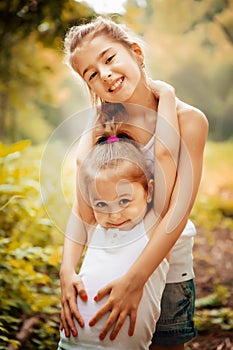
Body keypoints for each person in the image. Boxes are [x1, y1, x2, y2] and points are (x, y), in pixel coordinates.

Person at [60, 16, 209, 349]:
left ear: (136, 52)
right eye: (92, 74)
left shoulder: (189, 120)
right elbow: (83, 206)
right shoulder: (102, 127)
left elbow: (177, 210)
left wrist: (138, 278)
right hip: (112, 264)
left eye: (109, 58)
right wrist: (67, 270)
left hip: (166, 267)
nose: (106, 74)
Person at [58, 115, 170, 349]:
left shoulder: (152, 227)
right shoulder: (96, 229)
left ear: (149, 191)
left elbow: (164, 155)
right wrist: (96, 113)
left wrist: (166, 96)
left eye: (124, 201)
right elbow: (81, 163)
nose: (115, 214)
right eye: (101, 205)